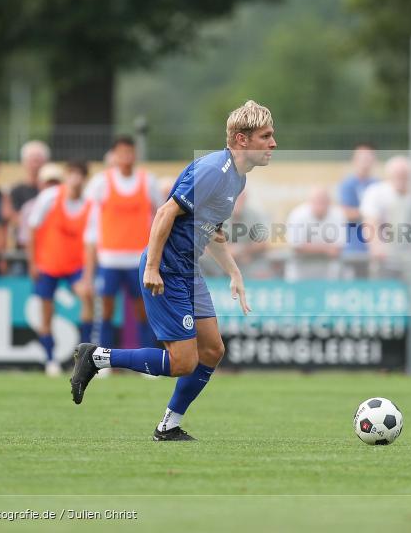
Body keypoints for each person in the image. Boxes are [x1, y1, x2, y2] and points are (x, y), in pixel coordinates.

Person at [70, 100, 276, 442]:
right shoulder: (214, 170)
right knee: (182, 361)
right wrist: (152, 266)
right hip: (166, 269)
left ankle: (168, 426)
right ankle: (97, 356)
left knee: (212, 351)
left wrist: (233, 272)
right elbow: (165, 213)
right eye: (266, 136)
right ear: (242, 140)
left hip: (187, 270)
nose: (273, 143)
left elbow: (213, 232)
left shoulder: (237, 179)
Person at [83, 136, 162, 352]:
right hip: (109, 259)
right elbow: (91, 224)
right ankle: (103, 360)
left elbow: (161, 216)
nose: (126, 156)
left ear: (135, 154)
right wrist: (89, 267)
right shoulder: (101, 182)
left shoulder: (148, 181)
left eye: (130, 151)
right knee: (106, 311)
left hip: (139, 258)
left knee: (143, 310)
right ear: (114, 155)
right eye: (122, 152)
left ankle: (149, 358)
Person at [27, 162, 93, 376]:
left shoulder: (90, 204)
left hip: (75, 265)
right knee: (46, 313)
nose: (75, 179)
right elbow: (33, 229)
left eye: (79, 175)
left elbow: (92, 241)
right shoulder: (50, 197)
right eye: (72, 174)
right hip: (49, 264)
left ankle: (85, 358)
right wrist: (33, 262)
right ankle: (50, 360)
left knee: (87, 298)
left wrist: (89, 274)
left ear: (84, 178)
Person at [359, 155, 411, 276]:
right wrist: (376, 247)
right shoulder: (376, 192)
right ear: (389, 176)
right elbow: (370, 222)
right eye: (397, 175)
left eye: (404, 175)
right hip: (386, 261)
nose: (401, 179)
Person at [284, 187, 346, 282]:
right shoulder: (298, 214)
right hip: (299, 273)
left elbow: (337, 248)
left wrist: (310, 247)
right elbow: (297, 246)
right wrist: (326, 249)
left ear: (329, 202)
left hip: (328, 273)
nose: (320, 205)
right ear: (310, 202)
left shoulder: (338, 215)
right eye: (317, 201)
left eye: (323, 202)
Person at [339, 144, 378, 276]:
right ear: (354, 161)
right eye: (362, 158)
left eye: (368, 158)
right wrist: (370, 214)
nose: (365, 162)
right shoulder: (348, 184)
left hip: (376, 247)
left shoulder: (378, 185)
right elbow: (346, 212)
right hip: (354, 246)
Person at [9, 141, 51, 246]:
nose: (35, 165)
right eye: (32, 160)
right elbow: (15, 219)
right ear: (24, 162)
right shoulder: (16, 191)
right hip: (24, 246)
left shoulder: (53, 190)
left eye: (38, 160)